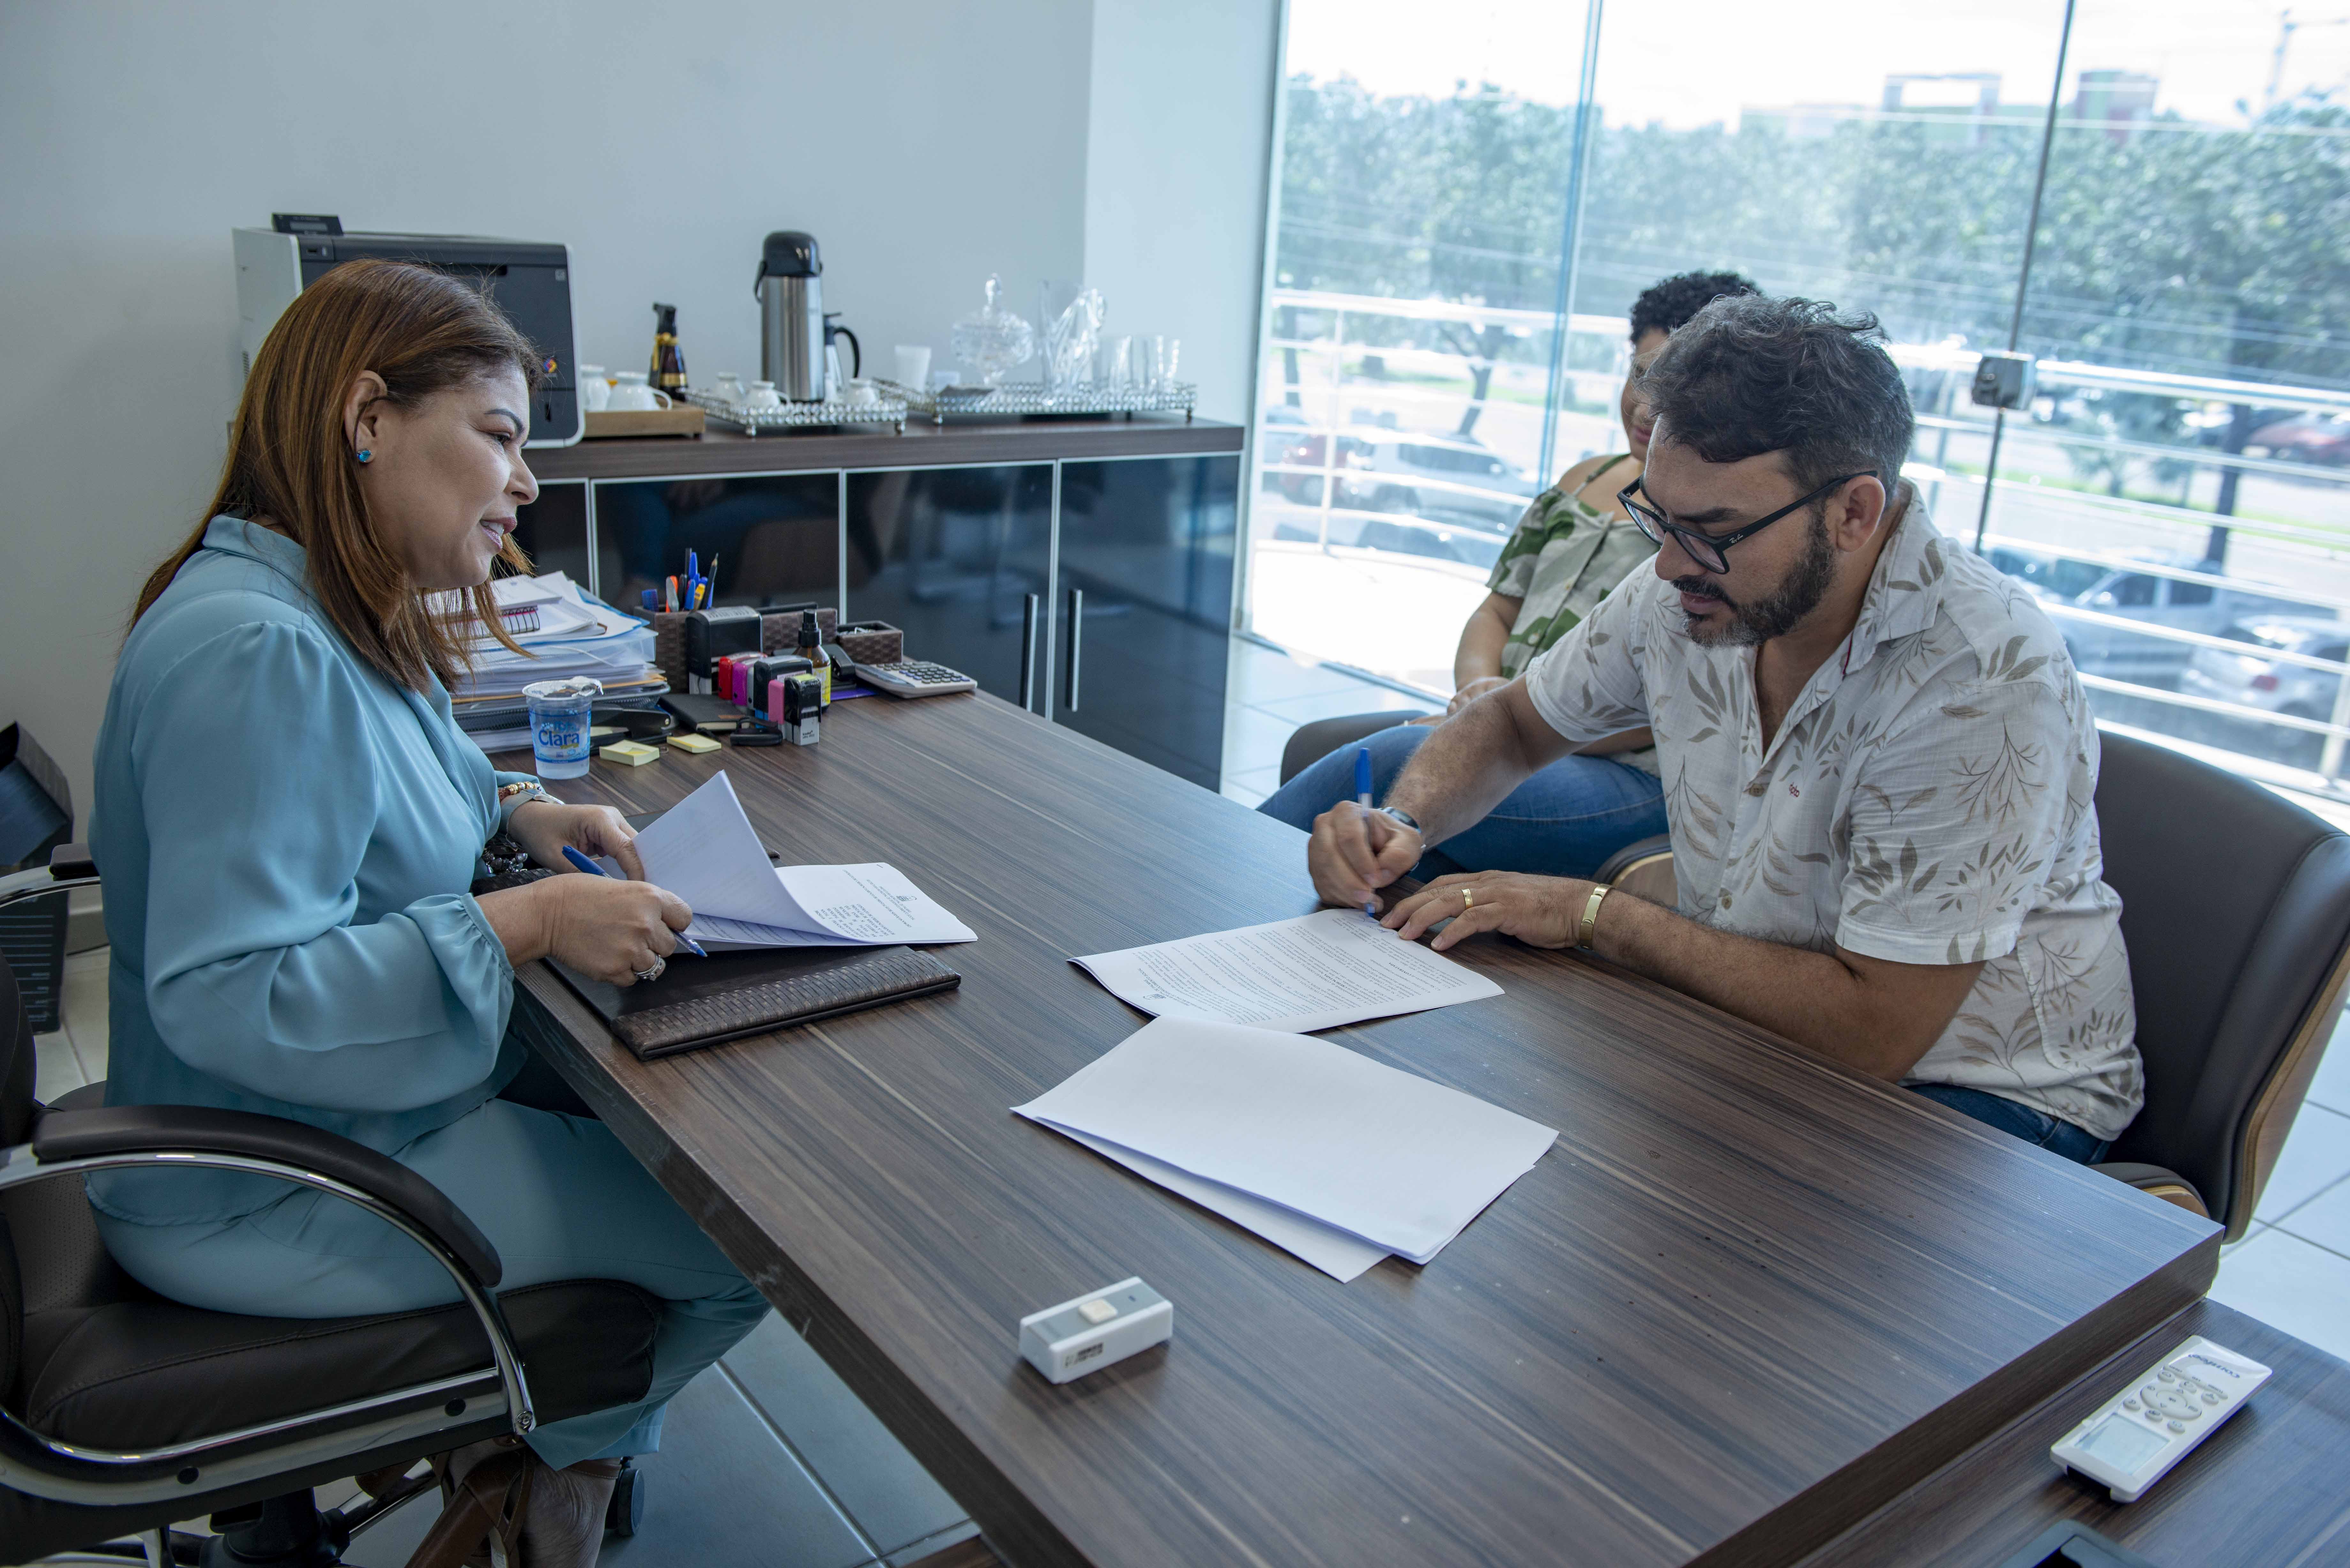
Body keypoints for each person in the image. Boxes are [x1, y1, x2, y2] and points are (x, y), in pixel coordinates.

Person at [87, 260, 769, 1564]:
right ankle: (552, 1479)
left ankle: (519, 1441)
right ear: (367, 416)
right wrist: (524, 924)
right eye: (501, 436)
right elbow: (235, 993)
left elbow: (391, 767)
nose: (526, 483)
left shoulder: (301, 604)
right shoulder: (260, 651)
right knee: (744, 1243)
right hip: (268, 1179)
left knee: (639, 1122)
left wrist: (519, 808)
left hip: (301, 1125)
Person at [1306, 295, 2142, 1160]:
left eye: (1712, 531)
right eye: (1657, 515)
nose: (1667, 563)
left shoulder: (1979, 677)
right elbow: (1515, 725)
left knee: (1623, 1204)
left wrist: (1595, 915)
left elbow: (1872, 1034)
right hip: (1763, 1030)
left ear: (1854, 513)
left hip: (1984, 1105)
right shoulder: (1694, 581)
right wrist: (1401, 825)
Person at [1260, 272, 1762, 881]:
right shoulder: (1581, 479)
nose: (1649, 405)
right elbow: (1497, 610)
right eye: (1641, 374)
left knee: (1388, 763)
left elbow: (1678, 707)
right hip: (1518, 722)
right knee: (1403, 848)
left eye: (1675, 390)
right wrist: (1484, 695)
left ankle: (1210, 888)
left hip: (1627, 768)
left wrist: (1502, 718)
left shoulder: (1719, 534)